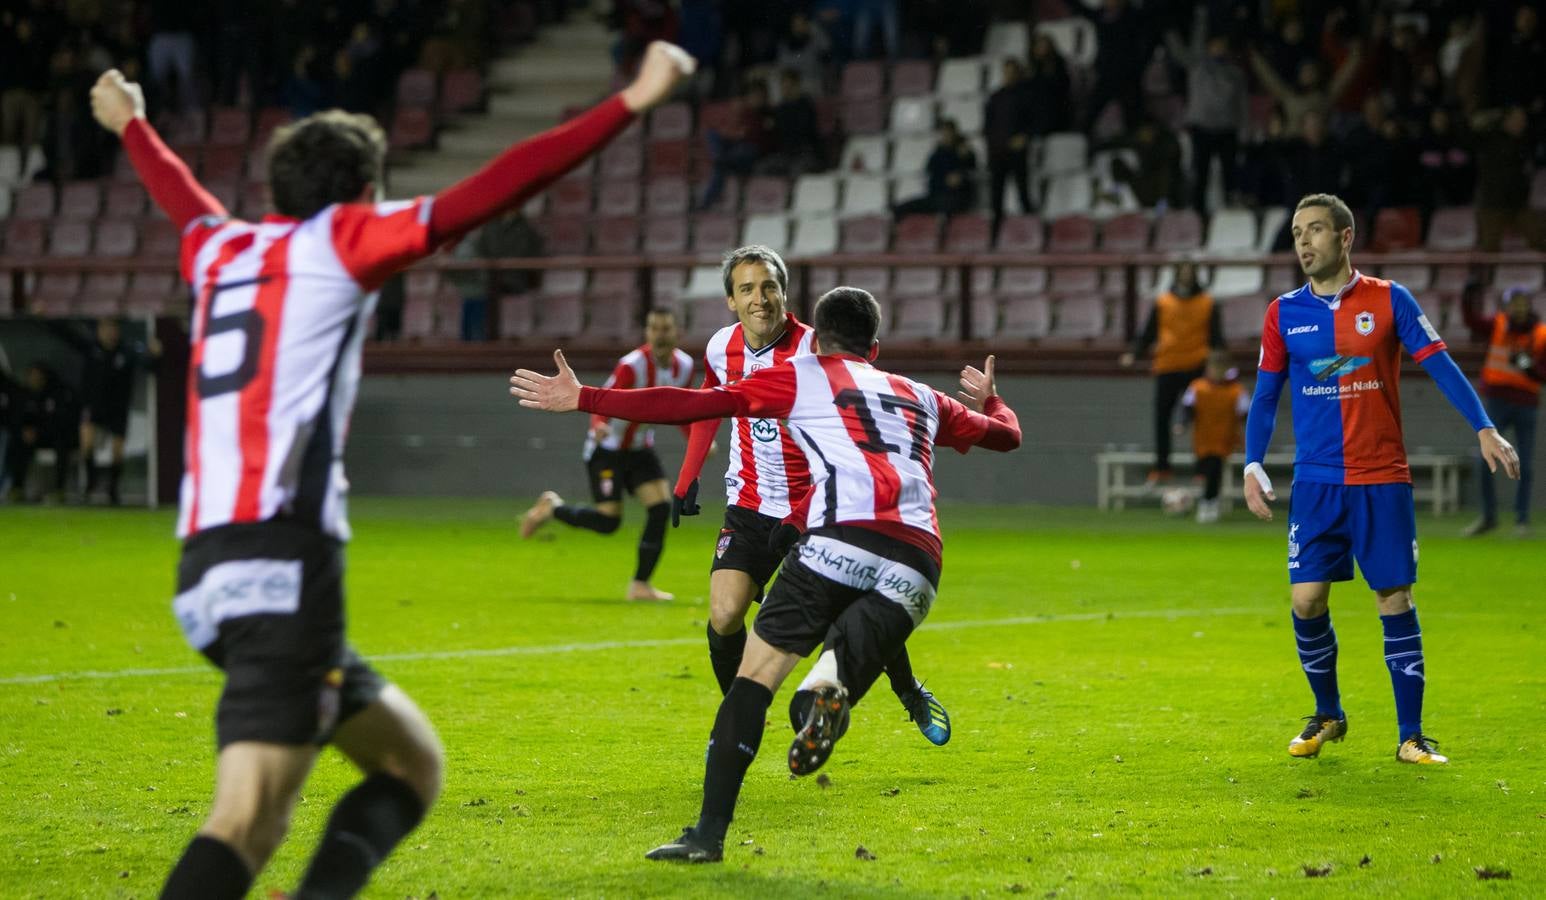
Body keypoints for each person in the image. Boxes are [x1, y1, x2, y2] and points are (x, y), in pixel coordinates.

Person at [90, 40, 694, 899]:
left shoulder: (216, 251)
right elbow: (490, 192)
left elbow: (180, 199)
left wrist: (133, 126)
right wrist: (630, 101)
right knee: (246, 822)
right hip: (282, 567)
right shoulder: (342, 241)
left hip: (206, 567)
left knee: (412, 768)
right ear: (363, 192)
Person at [508, 286, 1022, 863]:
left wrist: (586, 399)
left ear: (817, 342)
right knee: (839, 668)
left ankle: (708, 834)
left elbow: (692, 405)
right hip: (919, 561)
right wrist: (994, 400)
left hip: (838, 539)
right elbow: (1006, 436)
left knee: (753, 680)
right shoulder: (922, 396)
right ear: (874, 347)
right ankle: (824, 695)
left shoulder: (804, 376)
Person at [1242, 193, 1520, 767]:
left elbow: (1439, 362)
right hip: (1317, 482)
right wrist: (1251, 462)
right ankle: (1328, 714)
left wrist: (1483, 426)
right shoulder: (1282, 313)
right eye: (1296, 231)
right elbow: (1267, 394)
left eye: (1315, 229)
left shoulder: (1389, 300)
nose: (1303, 241)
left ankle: (1411, 735)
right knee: (1306, 600)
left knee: (1393, 597)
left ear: (1345, 238)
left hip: (1380, 476)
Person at [669, 244, 951, 744]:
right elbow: (710, 404)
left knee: (850, 611)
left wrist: (799, 518)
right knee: (725, 612)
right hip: (751, 501)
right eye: (747, 289)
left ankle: (909, 692)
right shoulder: (720, 347)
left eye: (769, 286)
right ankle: (739, 715)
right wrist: (687, 474)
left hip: (822, 505)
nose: (760, 298)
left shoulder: (815, 350)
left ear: (785, 292)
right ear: (731, 300)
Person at [520, 308, 694, 601]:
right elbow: (602, 396)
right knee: (608, 522)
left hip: (640, 448)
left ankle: (640, 585)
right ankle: (552, 508)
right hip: (608, 450)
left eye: (665, 329)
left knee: (661, 507)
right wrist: (599, 425)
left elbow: (685, 408)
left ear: (678, 333)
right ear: (647, 333)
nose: (659, 336)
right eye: (654, 329)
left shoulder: (685, 366)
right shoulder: (632, 365)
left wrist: (696, 439)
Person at [1120, 261, 1222, 485]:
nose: (1186, 276)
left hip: (1196, 365)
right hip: (1167, 365)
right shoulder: (1164, 302)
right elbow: (1148, 333)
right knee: (1162, 418)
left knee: (1201, 420)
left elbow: (1216, 338)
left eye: (1189, 273)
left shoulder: (1207, 303)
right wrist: (1134, 353)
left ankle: (1202, 469)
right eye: (1182, 272)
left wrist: (1221, 365)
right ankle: (1162, 467)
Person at [1461, 288, 1546, 537]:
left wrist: (1532, 370)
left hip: (1526, 403)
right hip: (1497, 401)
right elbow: (1471, 321)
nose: (1518, 309)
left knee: (1526, 464)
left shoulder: (1541, 335)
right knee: (1485, 460)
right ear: (1506, 307)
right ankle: (1488, 517)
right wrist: (1468, 294)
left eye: (1522, 304)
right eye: (1514, 304)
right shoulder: (1497, 324)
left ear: (1529, 306)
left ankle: (1521, 519)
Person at [1164, 11, 1247, 212]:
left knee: (1230, 174)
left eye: (1222, 45)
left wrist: (1243, 129)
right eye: (1215, 44)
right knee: (1200, 173)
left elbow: (1242, 103)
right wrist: (1169, 31)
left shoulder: (1235, 73)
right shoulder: (1197, 65)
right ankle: (1198, 213)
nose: (1219, 49)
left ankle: (1231, 208)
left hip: (1227, 128)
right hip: (1201, 128)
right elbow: (1179, 50)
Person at [78, 318, 160, 505]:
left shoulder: (126, 352)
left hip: (118, 407)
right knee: (86, 441)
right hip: (94, 405)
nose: (109, 332)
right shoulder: (91, 349)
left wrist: (155, 355)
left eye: (113, 328)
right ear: (98, 330)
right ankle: (90, 484)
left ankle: (113, 490)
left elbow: (149, 366)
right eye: (105, 328)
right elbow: (67, 337)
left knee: (117, 450)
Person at [1179, 350, 1246, 523]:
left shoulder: (1236, 391)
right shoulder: (1197, 387)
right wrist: (1182, 424)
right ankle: (1210, 500)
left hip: (1224, 438)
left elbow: (1245, 414)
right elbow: (1188, 409)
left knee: (1213, 469)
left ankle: (1208, 504)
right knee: (1206, 471)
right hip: (1202, 438)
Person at [983, 58, 1033, 226]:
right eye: (1006, 72)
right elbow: (988, 126)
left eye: (1012, 72)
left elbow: (1033, 122)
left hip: (1017, 153)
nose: (1009, 76)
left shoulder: (1026, 96)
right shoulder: (995, 97)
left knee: (1023, 192)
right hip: (998, 153)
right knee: (996, 196)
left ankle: (1030, 227)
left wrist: (1024, 137)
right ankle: (996, 233)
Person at [892, 119, 977, 218]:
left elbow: (970, 170)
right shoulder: (937, 153)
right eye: (943, 133)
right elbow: (929, 172)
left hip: (957, 198)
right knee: (903, 207)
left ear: (954, 133)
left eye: (948, 132)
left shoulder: (963, 151)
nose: (945, 136)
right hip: (936, 196)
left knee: (946, 206)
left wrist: (962, 171)